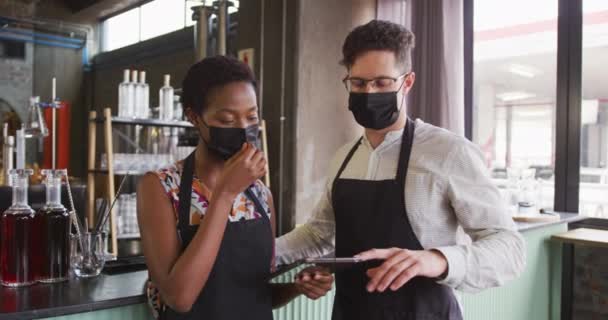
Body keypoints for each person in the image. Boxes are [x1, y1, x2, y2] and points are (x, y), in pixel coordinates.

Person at [276, 20, 526, 320]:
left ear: (406, 82)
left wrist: (436, 260)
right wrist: (255, 252)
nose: (369, 92)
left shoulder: (448, 152)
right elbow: (318, 233)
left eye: (382, 83)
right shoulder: (343, 158)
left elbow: (509, 249)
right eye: (358, 84)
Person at [137, 56, 333, 320]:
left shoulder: (261, 194)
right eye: (228, 120)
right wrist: (225, 194)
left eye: (251, 116)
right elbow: (179, 298)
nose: (243, 128)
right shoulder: (161, 188)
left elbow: (255, 293)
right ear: (194, 117)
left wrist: (297, 288)